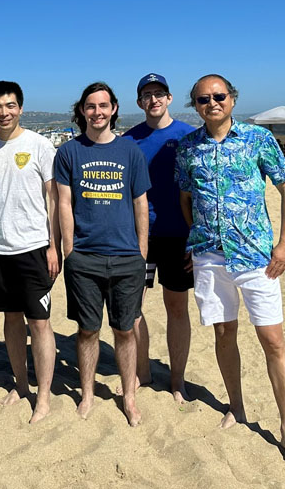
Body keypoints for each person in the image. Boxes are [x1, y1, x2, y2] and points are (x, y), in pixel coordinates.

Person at [175, 74, 285, 467]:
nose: (212, 103)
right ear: (195, 105)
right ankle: (236, 406)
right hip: (209, 258)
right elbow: (185, 198)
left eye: (218, 96)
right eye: (203, 99)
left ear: (232, 99)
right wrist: (196, 238)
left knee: (273, 341)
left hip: (256, 258)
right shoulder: (188, 147)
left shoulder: (258, 139)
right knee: (224, 333)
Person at [55, 82, 150, 427]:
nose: (97, 112)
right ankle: (87, 394)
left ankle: (129, 397)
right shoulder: (69, 152)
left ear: (114, 109)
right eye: (91, 106)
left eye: (103, 106)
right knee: (87, 330)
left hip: (126, 256)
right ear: (82, 111)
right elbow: (63, 203)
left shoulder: (130, 151)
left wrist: (142, 250)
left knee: (125, 330)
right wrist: (69, 250)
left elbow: (140, 202)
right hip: (84, 257)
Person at [0, 81, 59, 424]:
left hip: (34, 247)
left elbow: (53, 198)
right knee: (10, 319)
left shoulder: (40, 145)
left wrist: (54, 245)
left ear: (20, 108)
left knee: (39, 322)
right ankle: (21, 385)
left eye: (10, 105)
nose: (4, 112)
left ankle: (44, 396)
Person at [122, 73, 195, 403]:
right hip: (140, 236)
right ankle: (143, 372)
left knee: (177, 308)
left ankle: (177, 380)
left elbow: (199, 191)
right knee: (133, 308)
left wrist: (196, 238)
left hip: (179, 235)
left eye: (159, 93)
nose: (153, 99)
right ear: (140, 102)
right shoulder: (129, 140)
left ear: (169, 98)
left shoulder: (188, 136)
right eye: (147, 95)